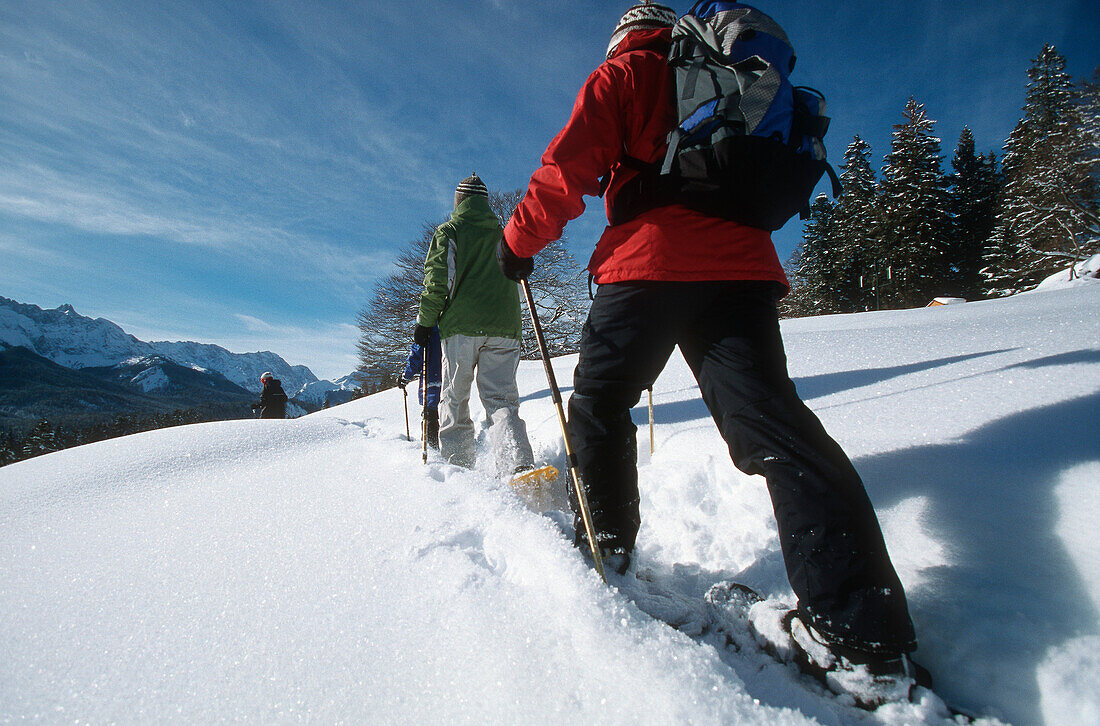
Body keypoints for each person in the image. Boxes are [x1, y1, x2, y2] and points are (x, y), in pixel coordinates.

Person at [498, 2, 919, 678]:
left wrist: (517, 241)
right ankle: (861, 635)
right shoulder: (731, 75)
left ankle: (608, 555)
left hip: (649, 263)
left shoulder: (626, 72)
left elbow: (567, 168)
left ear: (623, 37)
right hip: (743, 271)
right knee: (776, 425)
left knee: (601, 402)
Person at [416, 173, 535, 472]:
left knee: (455, 396)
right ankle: (517, 465)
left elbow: (437, 284)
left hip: (462, 327)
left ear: (459, 203)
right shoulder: (505, 233)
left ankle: (461, 468)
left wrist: (424, 322)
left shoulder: (450, 232)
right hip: (506, 326)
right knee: (501, 399)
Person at [397, 325, 442, 449]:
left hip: (432, 380)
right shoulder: (450, 327)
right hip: (451, 379)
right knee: (452, 411)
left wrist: (405, 378)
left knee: (430, 413)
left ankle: (432, 449)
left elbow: (415, 359)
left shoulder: (425, 331)